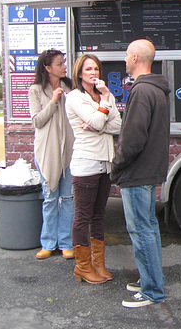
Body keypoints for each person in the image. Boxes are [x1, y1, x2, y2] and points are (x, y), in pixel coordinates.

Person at [111, 39, 171, 308]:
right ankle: (151, 279)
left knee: (141, 231)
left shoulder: (141, 91)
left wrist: (117, 164)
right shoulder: (156, 89)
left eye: (126, 55)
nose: (124, 59)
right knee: (149, 229)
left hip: (136, 172)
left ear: (135, 58)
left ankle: (151, 291)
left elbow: (132, 139)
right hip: (148, 171)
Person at [65, 54, 122, 284]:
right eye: (88, 69)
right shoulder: (74, 97)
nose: (93, 73)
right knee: (82, 216)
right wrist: (101, 116)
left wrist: (103, 107)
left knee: (99, 216)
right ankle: (83, 266)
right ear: (79, 73)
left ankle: (98, 263)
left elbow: (117, 124)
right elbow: (101, 122)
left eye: (96, 69)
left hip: (104, 162)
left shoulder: (104, 95)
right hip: (86, 162)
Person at [28, 49, 75, 260]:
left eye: (64, 62)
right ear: (47, 68)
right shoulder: (36, 90)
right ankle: (47, 242)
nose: (64, 66)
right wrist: (54, 100)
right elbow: (37, 121)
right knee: (50, 198)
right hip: (47, 151)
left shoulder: (70, 87)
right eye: (59, 63)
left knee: (68, 198)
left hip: (69, 151)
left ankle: (66, 243)